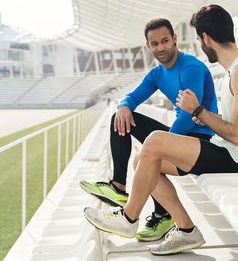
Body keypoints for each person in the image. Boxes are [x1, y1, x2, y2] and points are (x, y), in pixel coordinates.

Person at [84, 4, 238, 255]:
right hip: (224, 149)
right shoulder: (235, 70)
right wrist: (208, 117)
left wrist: (198, 112)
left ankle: (128, 218)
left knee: (155, 142)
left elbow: (237, 135)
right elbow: (236, 127)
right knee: (142, 160)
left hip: (236, 158)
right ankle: (186, 230)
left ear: (205, 38)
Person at [79, 18, 218, 242]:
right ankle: (123, 191)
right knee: (123, 118)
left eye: (165, 41)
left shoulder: (190, 67)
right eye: (154, 44)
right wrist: (124, 106)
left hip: (199, 141)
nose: (160, 48)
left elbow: (186, 117)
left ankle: (139, 213)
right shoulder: (157, 73)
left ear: (174, 39)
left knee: (147, 158)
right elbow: (132, 97)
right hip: (182, 138)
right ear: (148, 46)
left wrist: (162, 146)